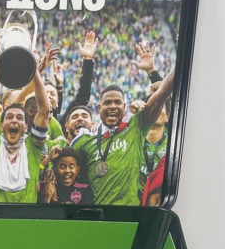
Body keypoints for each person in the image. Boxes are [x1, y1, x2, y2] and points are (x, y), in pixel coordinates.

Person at [71, 64, 175, 205]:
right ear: (99, 107)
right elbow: (64, 165)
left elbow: (160, 97)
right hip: (99, 213)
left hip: (130, 212)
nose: (113, 106)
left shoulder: (136, 125)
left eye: (117, 102)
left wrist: (178, 67)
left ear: (124, 107)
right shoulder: (85, 139)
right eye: (107, 102)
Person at [0, 58, 50, 204]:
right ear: (1, 125)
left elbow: (44, 110)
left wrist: (35, 71)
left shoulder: (33, 146)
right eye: (9, 117)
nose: (14, 120)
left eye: (20, 118)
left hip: (25, 217)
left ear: (26, 126)